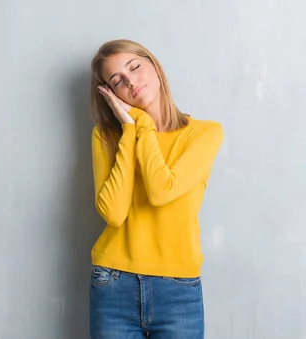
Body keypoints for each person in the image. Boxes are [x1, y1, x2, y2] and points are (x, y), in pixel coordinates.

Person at [88, 39, 224, 339]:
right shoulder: (106, 136)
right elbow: (114, 213)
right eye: (117, 81)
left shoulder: (204, 133)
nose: (131, 82)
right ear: (112, 94)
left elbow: (161, 190)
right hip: (113, 282)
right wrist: (129, 130)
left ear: (154, 66)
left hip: (178, 289)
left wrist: (140, 122)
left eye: (134, 67)